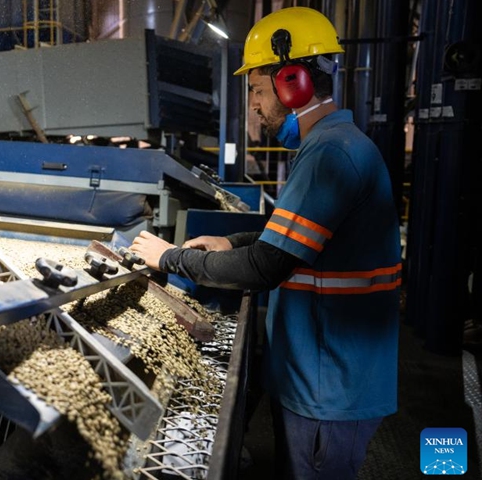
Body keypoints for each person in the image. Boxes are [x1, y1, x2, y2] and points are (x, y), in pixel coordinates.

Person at [130, 6, 401, 479]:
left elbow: (267, 266)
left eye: (256, 90)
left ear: (292, 81)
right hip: (323, 371)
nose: (253, 105)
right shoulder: (331, 145)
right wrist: (229, 241)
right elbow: (292, 238)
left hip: (329, 384)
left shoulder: (331, 153)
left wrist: (170, 258)